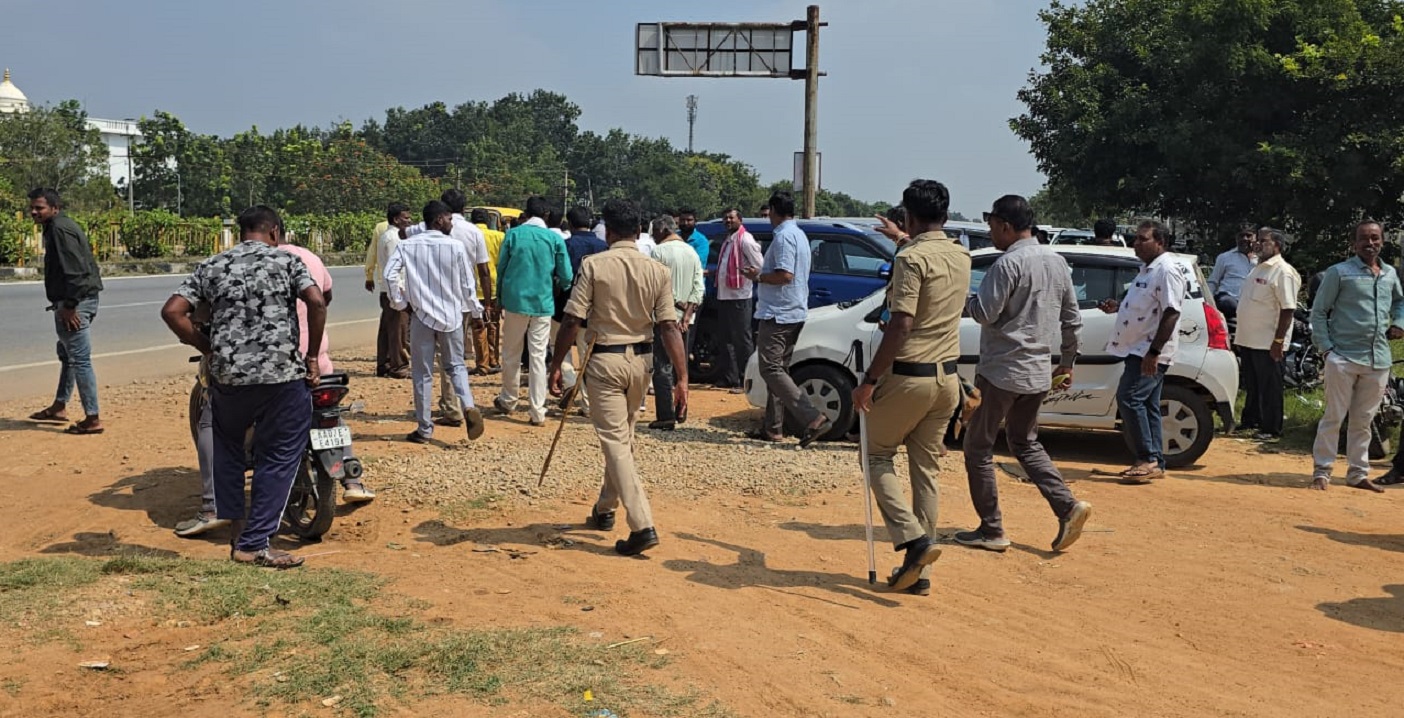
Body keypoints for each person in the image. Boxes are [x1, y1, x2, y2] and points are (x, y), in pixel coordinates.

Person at [159, 205, 325, 569]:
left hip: (229, 379)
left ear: (239, 233)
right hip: (281, 378)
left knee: (229, 453)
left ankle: (238, 534)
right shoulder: (287, 262)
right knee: (279, 457)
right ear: (275, 233)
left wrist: (207, 347)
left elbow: (172, 311)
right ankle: (253, 544)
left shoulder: (213, 265)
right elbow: (315, 301)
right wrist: (312, 357)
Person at [548, 198, 688, 556]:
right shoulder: (657, 270)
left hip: (604, 362)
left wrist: (555, 363)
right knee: (622, 438)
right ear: (639, 231)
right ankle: (605, 508)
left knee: (615, 442)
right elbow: (669, 327)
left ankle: (642, 525)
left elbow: (572, 320)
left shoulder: (593, 266)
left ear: (608, 232)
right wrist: (682, 378)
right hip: (642, 364)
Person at [850, 179, 968, 595]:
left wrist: (868, 381)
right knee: (926, 472)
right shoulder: (960, 254)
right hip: (947, 380)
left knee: (876, 455)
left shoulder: (911, 259)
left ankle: (914, 540)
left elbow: (901, 324)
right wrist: (903, 238)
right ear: (946, 215)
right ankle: (922, 570)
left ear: (909, 216)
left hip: (909, 376)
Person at [955, 194, 1092, 554]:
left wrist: (965, 299)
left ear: (1005, 225)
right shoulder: (1057, 261)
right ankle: (1066, 506)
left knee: (978, 446)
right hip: (1037, 371)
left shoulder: (1006, 264)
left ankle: (992, 529)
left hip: (1002, 369)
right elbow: (1072, 319)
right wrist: (1067, 361)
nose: (990, 233)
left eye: (992, 226)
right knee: (1025, 442)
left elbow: (984, 312)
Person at [1308, 220, 1404, 493]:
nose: (1370, 243)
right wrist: (1327, 350)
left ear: (1383, 241)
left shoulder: (1389, 274)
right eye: (1364, 239)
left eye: (1375, 238)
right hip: (1343, 356)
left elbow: (1400, 302)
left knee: (1364, 420)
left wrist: (1399, 321)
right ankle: (1322, 472)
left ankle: (1358, 474)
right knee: (1334, 417)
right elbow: (1318, 312)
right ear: (1354, 243)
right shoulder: (1339, 273)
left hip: (1378, 359)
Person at [384, 200, 487, 444]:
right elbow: (467, 285)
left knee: (422, 373)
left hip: (421, 317)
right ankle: (468, 405)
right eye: (450, 219)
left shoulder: (407, 246)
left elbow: (389, 275)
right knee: (456, 366)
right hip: (451, 317)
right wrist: (476, 313)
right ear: (439, 219)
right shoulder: (456, 247)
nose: (452, 223)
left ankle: (424, 428)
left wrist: (400, 303)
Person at [1097, 220, 1186, 484]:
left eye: (1142, 239)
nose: (1136, 243)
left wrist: (1154, 352)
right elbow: (1146, 303)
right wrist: (1119, 305)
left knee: (1129, 397)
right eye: (1135, 238)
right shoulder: (1147, 269)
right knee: (1146, 403)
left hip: (1149, 350)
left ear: (1160, 242)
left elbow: (1171, 312)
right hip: (1137, 348)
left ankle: (1147, 458)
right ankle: (1154, 460)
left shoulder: (1167, 270)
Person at [746, 191, 829, 446]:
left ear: (773, 210)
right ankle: (773, 427)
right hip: (792, 310)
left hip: (778, 312)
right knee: (779, 371)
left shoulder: (784, 237)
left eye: (768, 212)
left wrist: (757, 276)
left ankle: (812, 416)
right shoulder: (799, 234)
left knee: (770, 368)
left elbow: (785, 275)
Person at [26, 188, 105, 435]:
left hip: (76, 302)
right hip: (79, 299)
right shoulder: (60, 226)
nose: (34, 212)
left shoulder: (59, 229)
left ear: (55, 208)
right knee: (67, 354)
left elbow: (76, 270)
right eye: (33, 207)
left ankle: (92, 419)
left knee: (79, 359)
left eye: (40, 208)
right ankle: (59, 406)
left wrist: (70, 305)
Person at [495, 196, 573, 426]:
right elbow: (567, 275)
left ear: (526, 214)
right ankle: (537, 410)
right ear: (547, 215)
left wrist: (499, 298)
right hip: (543, 302)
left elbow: (502, 268)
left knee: (511, 353)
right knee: (538, 356)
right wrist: (559, 285)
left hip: (515, 300)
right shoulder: (553, 238)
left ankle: (508, 399)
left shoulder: (513, 235)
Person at [1234, 229, 1300, 441]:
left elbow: (1288, 309)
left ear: (1277, 246)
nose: (1257, 244)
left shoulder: (1283, 271)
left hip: (1269, 341)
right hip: (1249, 339)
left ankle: (1272, 429)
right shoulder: (1257, 268)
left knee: (1270, 387)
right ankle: (1251, 421)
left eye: (1264, 241)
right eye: (1258, 240)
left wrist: (1279, 341)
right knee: (1253, 384)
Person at [648, 215, 704, 430]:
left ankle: (666, 414)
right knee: (682, 366)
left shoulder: (658, 252)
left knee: (662, 366)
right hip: (686, 321)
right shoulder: (691, 252)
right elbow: (699, 287)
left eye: (654, 232)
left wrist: (677, 307)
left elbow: (658, 287)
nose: (652, 236)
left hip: (664, 318)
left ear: (662, 231)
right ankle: (682, 410)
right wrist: (688, 313)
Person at [554, 206, 609, 413]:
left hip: (565, 308)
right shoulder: (604, 247)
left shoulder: (566, 245)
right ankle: (588, 404)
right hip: (593, 310)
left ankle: (569, 382)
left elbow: (560, 275)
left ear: (569, 222)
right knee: (588, 356)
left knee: (560, 347)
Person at [714, 208, 764, 390]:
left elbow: (760, 266)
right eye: (725, 218)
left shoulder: (745, 239)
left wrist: (747, 272)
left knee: (742, 339)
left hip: (740, 296)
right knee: (726, 338)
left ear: (740, 220)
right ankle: (730, 377)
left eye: (731, 218)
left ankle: (747, 379)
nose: (728, 221)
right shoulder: (728, 240)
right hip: (724, 294)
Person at [367, 204, 413, 378]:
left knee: (387, 330)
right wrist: (400, 295)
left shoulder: (389, 236)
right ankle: (398, 365)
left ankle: (384, 364)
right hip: (395, 291)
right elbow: (396, 270)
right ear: (396, 219)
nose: (409, 221)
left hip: (388, 291)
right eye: (406, 218)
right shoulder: (393, 238)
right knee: (398, 331)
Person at [471, 208, 506, 376]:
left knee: (478, 326)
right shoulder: (499, 237)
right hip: (492, 286)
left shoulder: (468, 235)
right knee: (493, 324)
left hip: (472, 288)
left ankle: (482, 363)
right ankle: (494, 360)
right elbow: (503, 263)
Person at [1207, 224, 1258, 319]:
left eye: (1248, 235)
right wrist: (1208, 302)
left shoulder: (1262, 261)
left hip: (1252, 303)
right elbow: (1213, 281)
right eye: (1241, 236)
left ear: (1255, 237)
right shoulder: (1225, 257)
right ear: (1236, 238)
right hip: (1229, 299)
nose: (1244, 239)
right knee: (1227, 303)